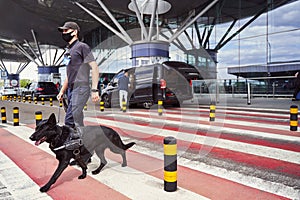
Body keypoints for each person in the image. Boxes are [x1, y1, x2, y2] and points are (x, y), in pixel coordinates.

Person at [56, 21, 100, 128]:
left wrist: (94, 90)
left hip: (81, 88)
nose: (64, 33)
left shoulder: (82, 47)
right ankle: (83, 142)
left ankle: (71, 143)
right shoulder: (68, 50)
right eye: (63, 31)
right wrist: (62, 91)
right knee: (77, 121)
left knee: (70, 120)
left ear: (74, 32)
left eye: (66, 30)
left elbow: (94, 67)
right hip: (71, 90)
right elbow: (69, 74)